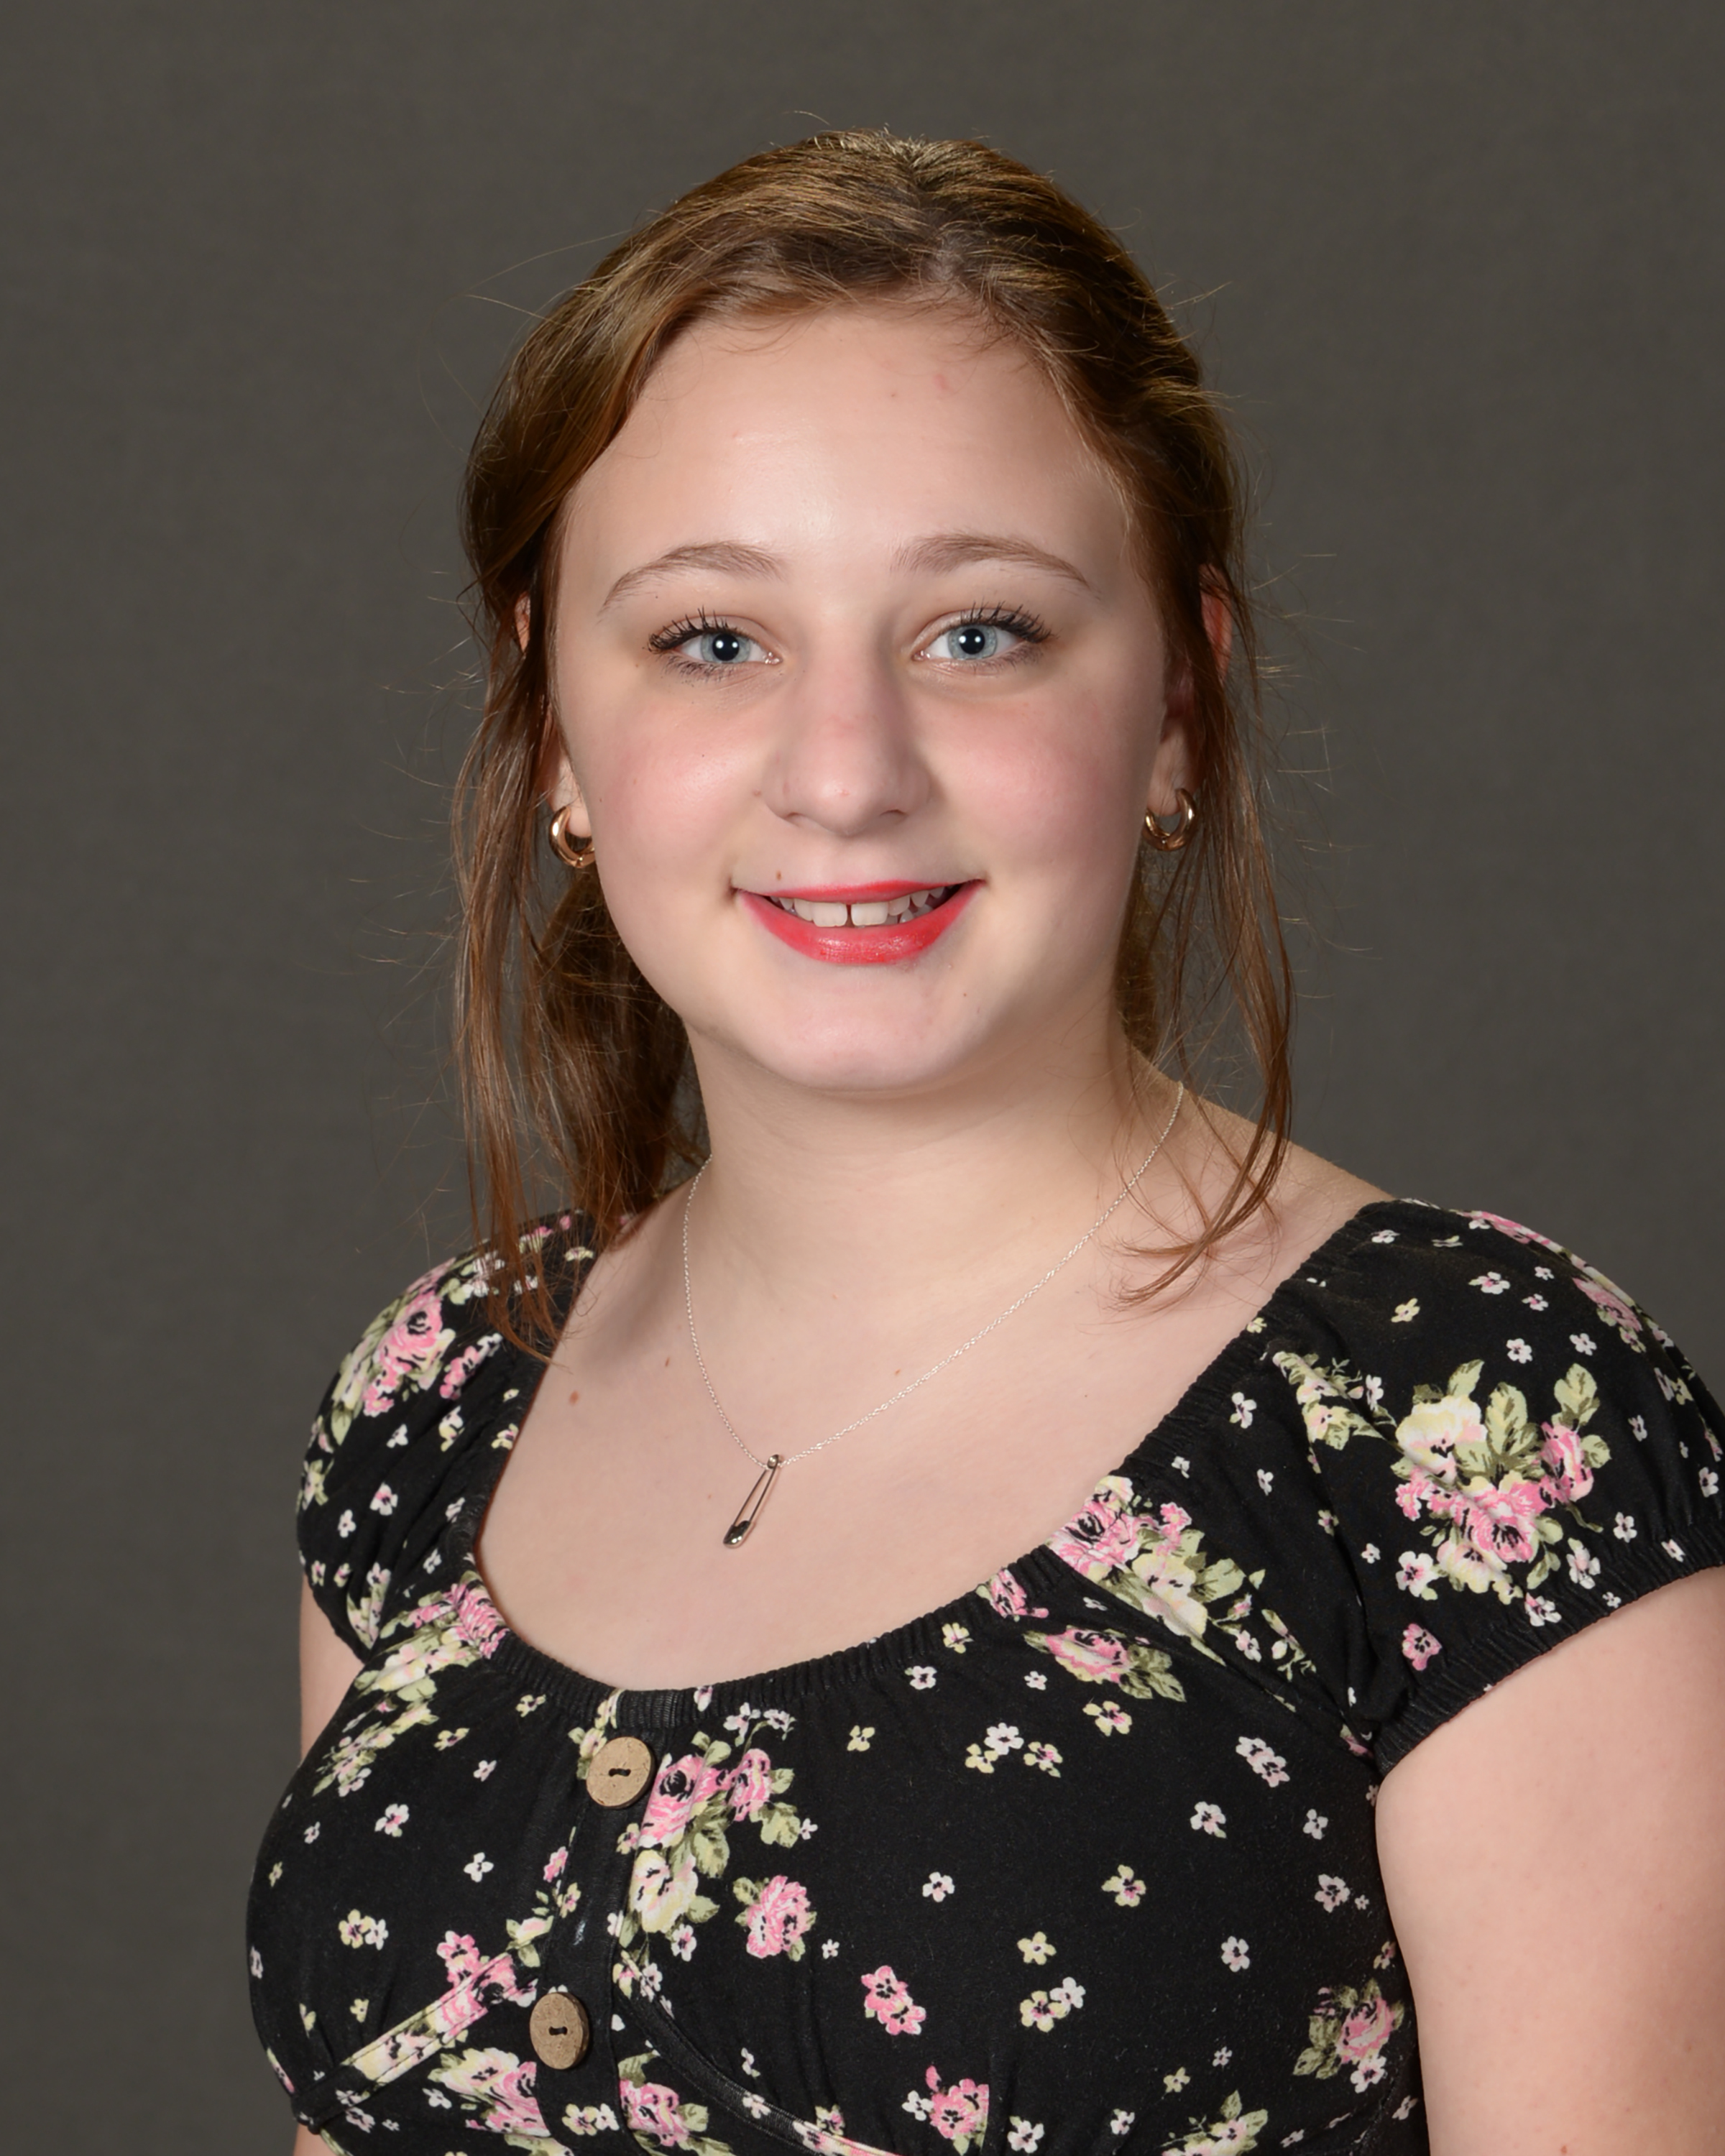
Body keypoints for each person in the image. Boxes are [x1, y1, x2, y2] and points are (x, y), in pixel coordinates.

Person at [249, 133, 1725, 2156]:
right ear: (556, 725)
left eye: (980, 632)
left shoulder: (1468, 1423)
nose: (846, 774)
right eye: (711, 640)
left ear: (1179, 700)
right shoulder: (440, 1392)